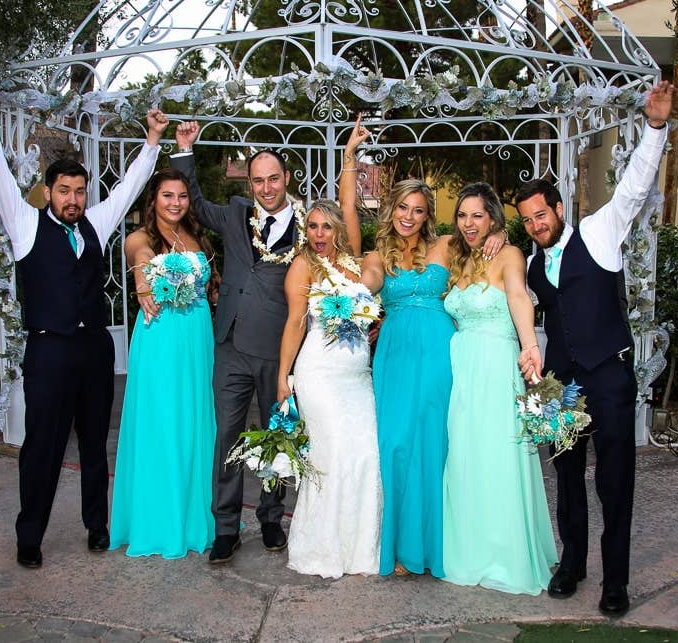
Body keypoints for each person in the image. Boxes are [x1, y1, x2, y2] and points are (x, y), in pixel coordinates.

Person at [0, 85, 168, 569]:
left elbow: (127, 189)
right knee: (42, 446)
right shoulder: (25, 224)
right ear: (48, 192)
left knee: (94, 444)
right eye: (64, 191)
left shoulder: (96, 224)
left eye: (79, 191)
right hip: (49, 351)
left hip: (93, 351)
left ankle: (96, 526)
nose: (73, 199)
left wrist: (151, 141)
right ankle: (30, 536)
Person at [517, 80, 673, 615]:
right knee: (565, 475)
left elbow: (633, 186)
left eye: (541, 215)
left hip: (609, 376)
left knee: (614, 479)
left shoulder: (599, 231)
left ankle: (615, 582)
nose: (537, 226)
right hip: (562, 385)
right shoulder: (533, 264)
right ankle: (573, 564)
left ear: (557, 206)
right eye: (528, 222)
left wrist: (654, 128)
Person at [344, 119, 505, 577]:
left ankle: (432, 549)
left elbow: (484, 236)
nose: (409, 216)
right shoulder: (376, 255)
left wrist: (498, 235)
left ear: (426, 213)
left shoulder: (448, 246)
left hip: (438, 354)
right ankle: (396, 546)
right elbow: (349, 217)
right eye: (403, 207)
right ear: (392, 209)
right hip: (394, 355)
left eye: (418, 209)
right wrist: (350, 160)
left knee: (433, 444)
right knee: (393, 443)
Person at [169, 123, 300, 563]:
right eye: (258, 180)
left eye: (273, 179)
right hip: (228, 345)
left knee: (273, 436)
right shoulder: (236, 213)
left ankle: (270, 518)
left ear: (287, 179)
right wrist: (184, 150)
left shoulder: (307, 226)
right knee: (227, 435)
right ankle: (225, 526)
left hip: (276, 349)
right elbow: (197, 204)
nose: (265, 188)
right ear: (250, 183)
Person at [440, 182, 558, 594]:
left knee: (496, 457)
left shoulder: (509, 254)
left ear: (493, 219)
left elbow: (518, 297)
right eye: (462, 215)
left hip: (493, 368)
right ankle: (468, 549)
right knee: (464, 457)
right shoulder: (457, 255)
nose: (469, 223)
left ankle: (503, 554)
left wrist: (530, 347)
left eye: (478, 215)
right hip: (461, 372)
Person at [108, 168, 217, 558]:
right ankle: (160, 521)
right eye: (168, 196)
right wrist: (142, 278)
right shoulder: (141, 238)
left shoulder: (196, 235)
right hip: (161, 338)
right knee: (162, 422)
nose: (175, 203)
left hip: (197, 338)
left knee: (195, 422)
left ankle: (193, 514)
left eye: (182, 196)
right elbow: (139, 257)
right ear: (153, 199)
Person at [276, 198, 383, 578]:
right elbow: (294, 323)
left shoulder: (355, 263)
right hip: (319, 374)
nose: (318, 234)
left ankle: (361, 549)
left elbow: (352, 202)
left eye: (326, 226)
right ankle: (322, 549)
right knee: (333, 454)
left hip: (357, 377)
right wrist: (282, 377)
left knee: (367, 453)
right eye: (312, 227)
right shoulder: (302, 265)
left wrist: (352, 154)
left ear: (338, 228)